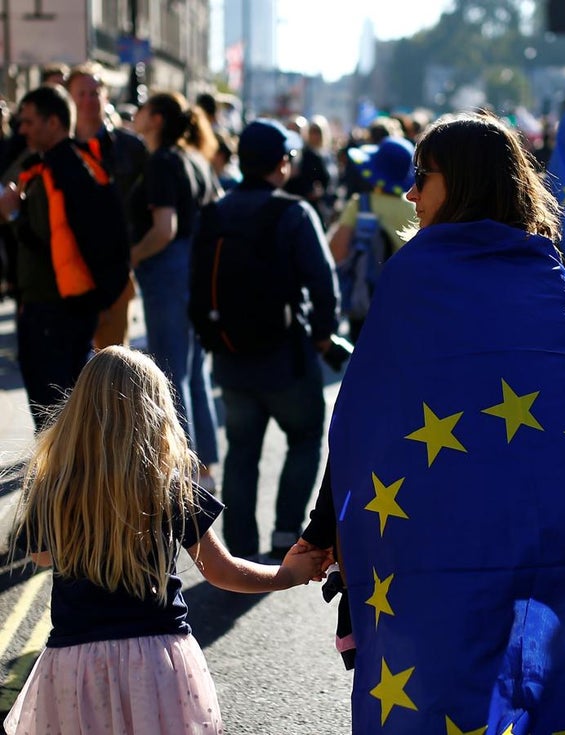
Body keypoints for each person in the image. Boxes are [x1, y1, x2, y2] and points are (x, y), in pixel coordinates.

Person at [298, 113, 565, 734]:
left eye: (422, 177)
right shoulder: (544, 269)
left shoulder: (415, 273)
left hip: (434, 527)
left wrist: (321, 527)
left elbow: (362, 418)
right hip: (543, 517)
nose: (410, 193)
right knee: (547, 675)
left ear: (464, 181)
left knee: (446, 680)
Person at [3, 346, 328, 734]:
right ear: (155, 413)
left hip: (75, 667)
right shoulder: (167, 489)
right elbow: (221, 571)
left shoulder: (53, 487)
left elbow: (39, 556)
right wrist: (286, 575)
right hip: (155, 662)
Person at [211, 119, 342, 561]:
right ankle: (287, 532)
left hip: (230, 357)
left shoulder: (214, 212)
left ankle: (240, 547)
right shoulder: (295, 213)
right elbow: (324, 285)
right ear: (282, 164)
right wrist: (324, 335)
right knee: (305, 436)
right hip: (287, 357)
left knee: (241, 450)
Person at [0, 85, 130, 430]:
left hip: (51, 309)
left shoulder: (56, 173)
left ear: (54, 122)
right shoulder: (82, 163)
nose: (22, 129)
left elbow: (47, 245)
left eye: (29, 122)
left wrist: (13, 216)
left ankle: (62, 482)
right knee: (70, 410)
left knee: (53, 417)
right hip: (74, 305)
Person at [129, 91, 221, 487]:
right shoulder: (195, 159)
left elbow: (163, 229)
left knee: (170, 371)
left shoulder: (164, 161)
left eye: (145, 108)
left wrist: (130, 256)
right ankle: (203, 467)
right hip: (196, 270)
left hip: (169, 271)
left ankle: (182, 470)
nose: (137, 112)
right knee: (193, 370)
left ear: (158, 119)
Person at [65, 62, 148, 350]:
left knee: (112, 356)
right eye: (81, 94)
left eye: (94, 92)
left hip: (116, 266)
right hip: (69, 264)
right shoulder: (57, 149)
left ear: (105, 96)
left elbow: (146, 200)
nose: (89, 100)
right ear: (70, 99)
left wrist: (136, 251)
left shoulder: (130, 147)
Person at [327, 136, 416, 342]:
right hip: (404, 301)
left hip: (365, 297)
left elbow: (336, 251)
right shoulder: (415, 209)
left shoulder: (360, 204)